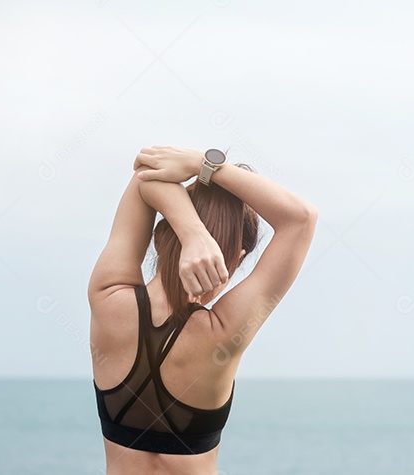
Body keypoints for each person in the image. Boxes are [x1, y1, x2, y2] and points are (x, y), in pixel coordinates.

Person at [87, 145, 317, 474]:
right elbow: (301, 219)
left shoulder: (107, 297)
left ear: (159, 237)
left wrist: (191, 232)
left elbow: (144, 177)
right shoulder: (224, 333)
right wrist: (203, 164)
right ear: (235, 259)